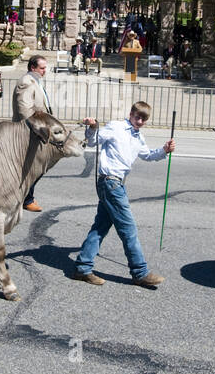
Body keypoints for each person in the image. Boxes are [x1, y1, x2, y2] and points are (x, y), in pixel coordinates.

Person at [70, 101, 177, 288]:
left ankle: (82, 268)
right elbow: (94, 141)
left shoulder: (138, 137)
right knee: (128, 229)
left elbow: (148, 155)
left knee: (100, 227)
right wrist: (93, 127)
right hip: (110, 182)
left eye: (144, 119)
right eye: (137, 116)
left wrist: (164, 150)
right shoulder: (116, 127)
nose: (140, 121)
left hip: (117, 184)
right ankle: (140, 272)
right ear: (131, 114)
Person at [13, 55, 50, 211]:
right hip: (29, 132)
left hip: (36, 130)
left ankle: (24, 197)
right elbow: (24, 110)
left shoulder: (34, 81)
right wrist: (37, 130)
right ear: (32, 68)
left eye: (45, 68)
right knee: (32, 167)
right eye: (42, 68)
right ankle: (26, 200)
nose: (44, 71)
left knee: (35, 166)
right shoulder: (26, 82)